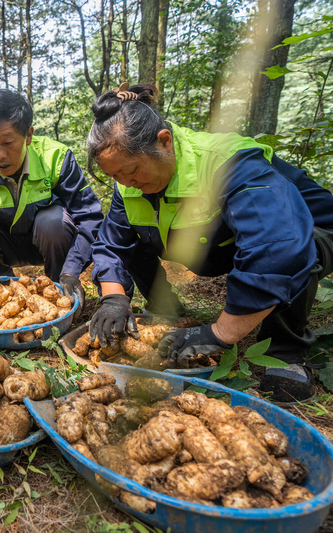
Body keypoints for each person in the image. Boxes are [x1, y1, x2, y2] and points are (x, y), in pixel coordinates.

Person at [87, 83, 333, 403]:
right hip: (217, 243)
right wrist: (114, 298)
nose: (126, 184)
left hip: (312, 232)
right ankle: (168, 310)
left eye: (132, 171)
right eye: (116, 177)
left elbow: (279, 246)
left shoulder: (229, 162)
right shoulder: (129, 186)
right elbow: (112, 243)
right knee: (130, 234)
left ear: (164, 142)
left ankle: (287, 353)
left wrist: (219, 334)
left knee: (300, 246)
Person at [0, 89, 104, 313]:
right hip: (3, 245)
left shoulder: (55, 158)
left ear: (28, 136)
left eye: (7, 143)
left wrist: (72, 271)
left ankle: (59, 292)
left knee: (53, 220)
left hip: (48, 241)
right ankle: (3, 293)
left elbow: (89, 218)